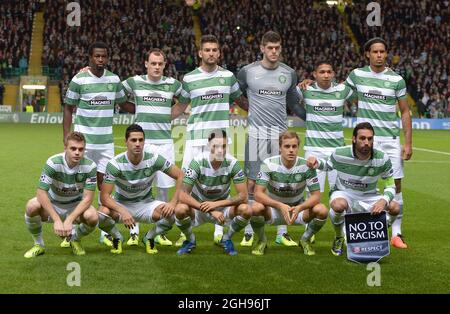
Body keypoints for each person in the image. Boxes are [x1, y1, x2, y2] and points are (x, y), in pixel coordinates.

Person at [236, 31, 306, 247]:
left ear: (281, 48)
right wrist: (249, 109)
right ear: (262, 48)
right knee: (251, 184)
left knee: (280, 183)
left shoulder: (289, 73)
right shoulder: (247, 71)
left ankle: (281, 232)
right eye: (270, 47)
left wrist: (312, 118)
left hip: (280, 138)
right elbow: (236, 95)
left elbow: (294, 104)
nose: (274, 51)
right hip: (256, 136)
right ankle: (248, 230)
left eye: (277, 47)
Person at [175, 35, 245, 246]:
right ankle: (186, 229)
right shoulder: (188, 79)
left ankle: (219, 226)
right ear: (200, 53)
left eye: (215, 50)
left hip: (220, 140)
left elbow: (241, 100)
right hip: (195, 139)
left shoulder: (229, 77)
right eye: (207, 50)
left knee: (221, 182)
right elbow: (179, 107)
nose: (211, 53)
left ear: (219, 53)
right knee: (186, 187)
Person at [345, 38, 412, 249]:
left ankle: (396, 233)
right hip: (366, 141)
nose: (379, 55)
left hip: (390, 140)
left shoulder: (396, 80)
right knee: (359, 183)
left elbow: (404, 111)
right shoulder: (357, 75)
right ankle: (355, 230)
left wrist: (408, 143)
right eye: (375, 52)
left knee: (396, 185)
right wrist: (313, 85)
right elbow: (341, 94)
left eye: (383, 51)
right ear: (367, 54)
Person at [63, 41, 127, 248]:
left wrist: (154, 107)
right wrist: (66, 137)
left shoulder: (114, 79)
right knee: (79, 187)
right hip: (84, 145)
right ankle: (70, 230)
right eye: (97, 56)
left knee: (104, 190)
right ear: (90, 57)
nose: (100, 60)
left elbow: (124, 103)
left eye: (104, 56)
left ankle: (103, 231)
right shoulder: (79, 79)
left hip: (106, 144)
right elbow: (68, 108)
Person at [118, 48, 184, 247]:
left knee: (164, 189)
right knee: (136, 187)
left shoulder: (172, 84)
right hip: (141, 144)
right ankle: (133, 231)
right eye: (153, 63)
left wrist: (170, 115)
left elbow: (187, 98)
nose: (156, 67)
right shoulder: (134, 82)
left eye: (160, 64)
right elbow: (116, 93)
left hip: (164, 143)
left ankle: (160, 232)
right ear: (146, 64)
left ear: (164, 65)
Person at [306, 122, 400, 256]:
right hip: (344, 193)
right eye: (362, 138)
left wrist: (383, 201)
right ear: (354, 139)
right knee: (338, 206)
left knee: (395, 208)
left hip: (369, 195)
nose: (366, 142)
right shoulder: (340, 153)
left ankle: (375, 235)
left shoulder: (382, 158)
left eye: (370, 138)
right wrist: (315, 162)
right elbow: (327, 165)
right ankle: (339, 237)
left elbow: (390, 185)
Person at [98, 124, 183, 254]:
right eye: (133, 140)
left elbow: (181, 175)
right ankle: (117, 237)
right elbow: (104, 197)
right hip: (122, 205)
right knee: (101, 215)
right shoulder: (115, 164)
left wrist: (172, 203)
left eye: (140, 140)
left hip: (146, 204)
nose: (137, 144)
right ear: (126, 142)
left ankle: (149, 238)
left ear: (144, 141)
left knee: (172, 213)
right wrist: (123, 211)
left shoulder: (154, 159)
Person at [250, 131, 328, 256]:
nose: (291, 150)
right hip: (274, 210)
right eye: (287, 146)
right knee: (254, 208)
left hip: (297, 209)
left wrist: (300, 208)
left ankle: (305, 239)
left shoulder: (307, 166)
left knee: (322, 210)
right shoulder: (267, 164)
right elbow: (258, 194)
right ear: (280, 148)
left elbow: (316, 196)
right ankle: (261, 240)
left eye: (294, 146)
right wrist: (279, 205)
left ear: (298, 148)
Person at [174, 129, 251, 256]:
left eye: (223, 146)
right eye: (216, 146)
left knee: (246, 210)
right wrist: (210, 209)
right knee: (180, 209)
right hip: (198, 208)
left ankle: (227, 238)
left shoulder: (233, 163)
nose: (220, 150)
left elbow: (243, 196)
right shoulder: (197, 162)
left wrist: (216, 205)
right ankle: (190, 240)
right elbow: (182, 195)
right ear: (209, 145)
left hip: (222, 209)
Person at [23, 132, 98, 258]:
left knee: (93, 216)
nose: (77, 152)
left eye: (81, 149)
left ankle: (74, 239)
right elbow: (41, 193)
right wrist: (57, 220)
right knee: (32, 206)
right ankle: (38, 245)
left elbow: (88, 198)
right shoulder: (53, 162)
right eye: (73, 148)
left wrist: (69, 220)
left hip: (75, 206)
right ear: (65, 148)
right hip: (53, 204)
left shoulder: (90, 166)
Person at [297, 61, 355, 192]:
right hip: (313, 150)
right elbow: (290, 100)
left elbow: (361, 95)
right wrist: (305, 116)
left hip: (337, 151)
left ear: (333, 74)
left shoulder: (342, 89)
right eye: (322, 72)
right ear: (315, 74)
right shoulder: (305, 89)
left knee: (340, 194)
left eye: (329, 72)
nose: (326, 75)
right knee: (313, 194)